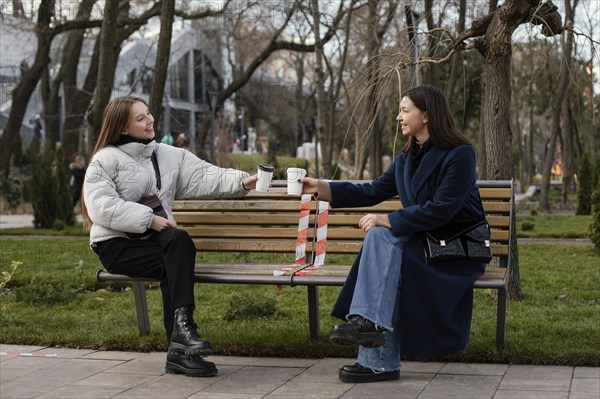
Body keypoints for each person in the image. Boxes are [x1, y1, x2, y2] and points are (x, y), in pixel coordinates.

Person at [301, 85, 487, 383]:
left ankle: (377, 357)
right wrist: (323, 188)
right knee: (379, 239)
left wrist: (388, 218)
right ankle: (367, 327)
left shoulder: (460, 154)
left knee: (387, 249)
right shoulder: (406, 158)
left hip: (455, 246)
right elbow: (373, 190)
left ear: (426, 116)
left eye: (405, 110)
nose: (399, 117)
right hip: (422, 240)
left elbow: (443, 209)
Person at [81, 96, 259, 377]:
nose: (149, 120)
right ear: (123, 128)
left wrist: (241, 181)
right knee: (175, 262)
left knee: (179, 242)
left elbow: (204, 176)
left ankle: (181, 338)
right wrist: (148, 220)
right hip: (117, 245)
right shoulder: (105, 160)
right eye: (140, 118)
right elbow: (99, 206)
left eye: (149, 114)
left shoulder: (168, 155)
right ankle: (181, 348)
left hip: (156, 238)